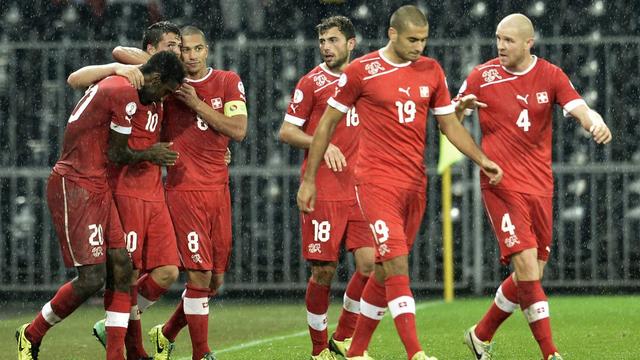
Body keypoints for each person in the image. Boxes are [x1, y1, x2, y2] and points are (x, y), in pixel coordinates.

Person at [297, 5, 503, 360]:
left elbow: (449, 124)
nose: (419, 46)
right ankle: (415, 353)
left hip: (414, 184)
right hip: (375, 183)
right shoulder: (362, 71)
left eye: (423, 39)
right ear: (392, 34)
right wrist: (310, 180)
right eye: (412, 39)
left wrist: (482, 159)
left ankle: (356, 350)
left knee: (379, 270)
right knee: (395, 266)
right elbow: (328, 123)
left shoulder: (431, 70)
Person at [454, 14, 612, 360]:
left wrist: (594, 123)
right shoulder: (482, 75)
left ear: (529, 43)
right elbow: (448, 120)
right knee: (526, 269)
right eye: (498, 38)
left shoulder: (551, 75)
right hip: (500, 184)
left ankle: (480, 335)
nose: (500, 46)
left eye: (508, 40)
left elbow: (579, 107)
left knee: (532, 274)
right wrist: (461, 110)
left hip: (540, 186)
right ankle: (550, 354)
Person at [15, 50, 185, 360]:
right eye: (165, 90)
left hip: (98, 184)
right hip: (76, 184)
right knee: (92, 278)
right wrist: (151, 154)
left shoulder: (121, 82)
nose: (163, 98)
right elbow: (118, 153)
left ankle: (121, 354)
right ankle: (31, 333)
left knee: (122, 267)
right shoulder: (126, 93)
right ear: (157, 79)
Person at [110, 25, 248, 360]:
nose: (191, 56)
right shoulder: (169, 83)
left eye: (197, 49)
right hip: (184, 189)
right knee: (197, 275)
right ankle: (201, 352)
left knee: (214, 281)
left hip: (219, 190)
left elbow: (239, 130)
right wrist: (141, 64)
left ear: (207, 50)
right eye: (184, 49)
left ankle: (157, 330)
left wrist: (199, 105)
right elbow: (119, 52)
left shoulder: (228, 81)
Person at [69, 21, 187, 360]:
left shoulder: (168, 78)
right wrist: (120, 65)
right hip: (125, 185)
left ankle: (114, 329)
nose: (177, 51)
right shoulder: (134, 77)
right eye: (170, 44)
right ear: (151, 50)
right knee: (125, 272)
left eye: (180, 45)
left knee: (167, 272)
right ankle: (127, 349)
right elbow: (78, 77)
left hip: (154, 189)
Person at [278, 16, 374, 360]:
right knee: (324, 270)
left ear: (351, 43)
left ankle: (343, 337)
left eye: (333, 40)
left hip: (362, 188)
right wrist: (322, 142)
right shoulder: (312, 82)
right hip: (324, 187)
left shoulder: (367, 78)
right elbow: (287, 132)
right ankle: (319, 350)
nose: (326, 48)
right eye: (322, 42)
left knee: (371, 264)